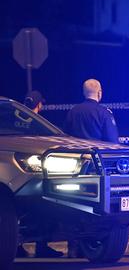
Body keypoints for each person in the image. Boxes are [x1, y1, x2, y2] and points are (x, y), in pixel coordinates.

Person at [15, 91, 65, 259]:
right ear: (38, 105)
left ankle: (17, 246)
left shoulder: (15, 118)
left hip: (18, 173)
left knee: (17, 213)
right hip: (36, 171)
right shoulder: (36, 123)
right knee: (43, 211)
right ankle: (41, 246)